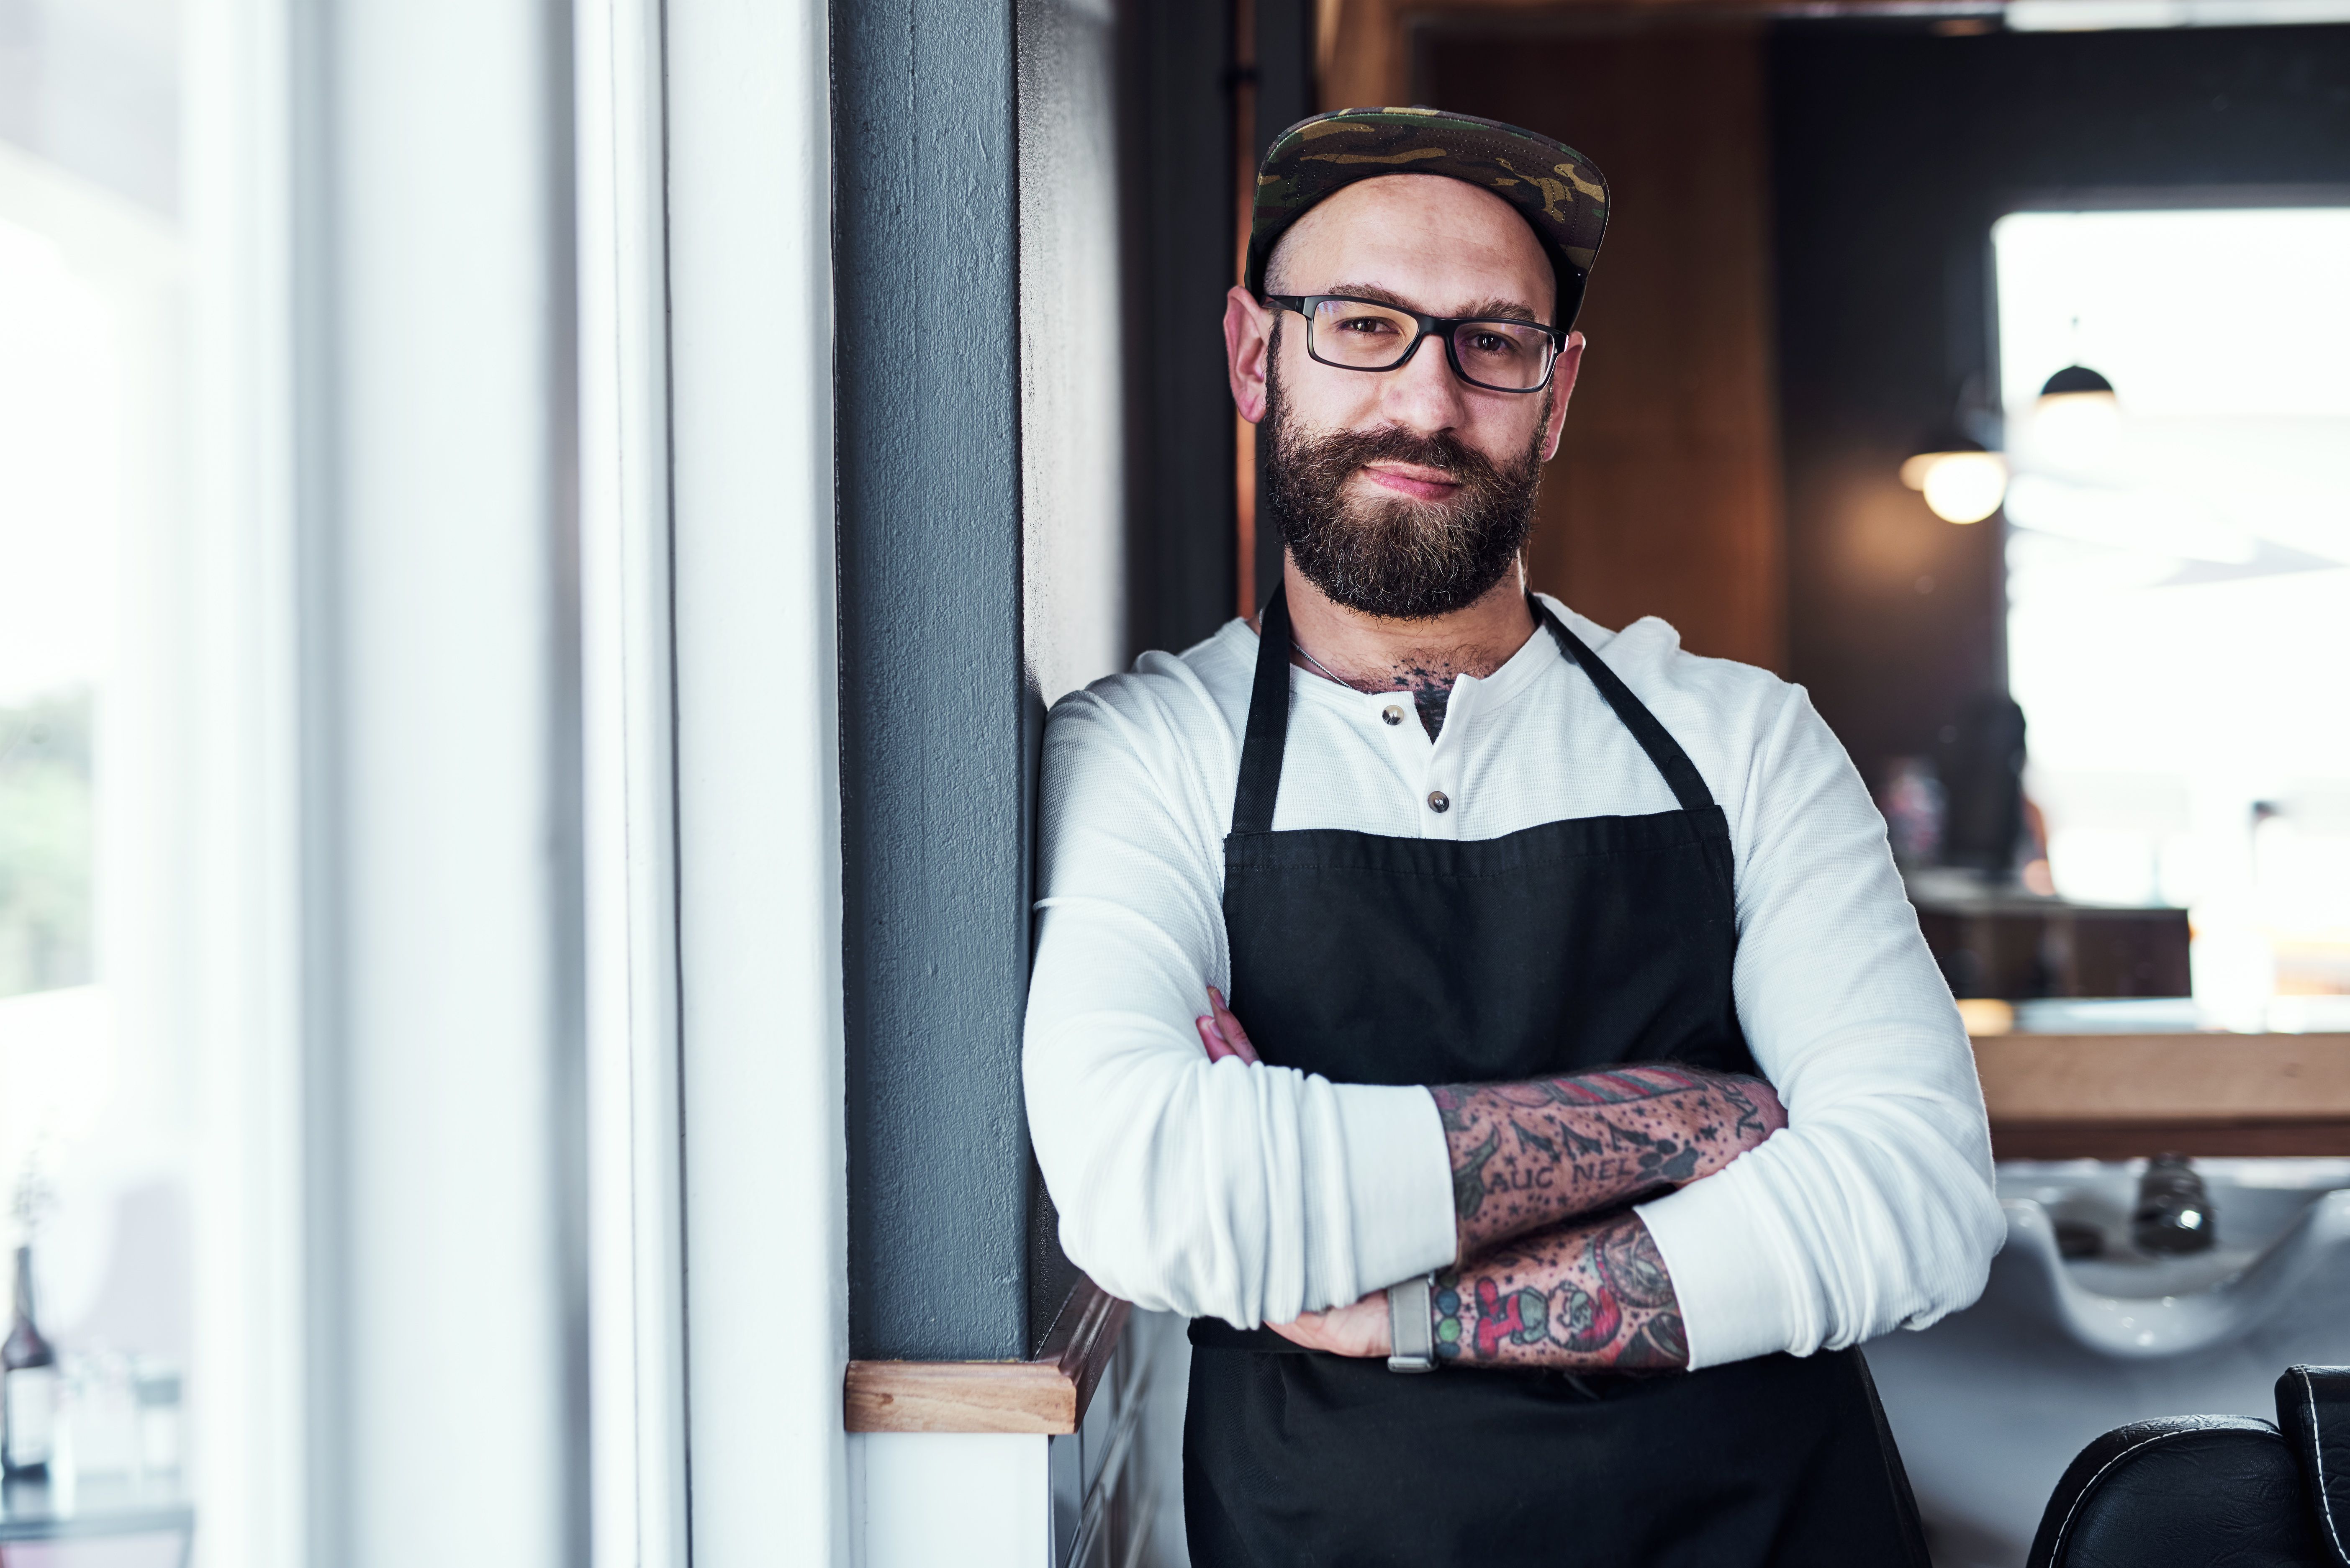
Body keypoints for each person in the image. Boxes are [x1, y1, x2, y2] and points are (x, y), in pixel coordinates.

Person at [1022, 106, 2003, 1566]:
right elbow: (1155, 1191)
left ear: (1555, 395)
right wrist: (1680, 1118)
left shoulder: (1745, 741)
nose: (1426, 400)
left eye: (1491, 341)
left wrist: (1393, 1303)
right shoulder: (1149, 752)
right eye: (1362, 323)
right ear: (1253, 354)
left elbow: (1917, 1196)